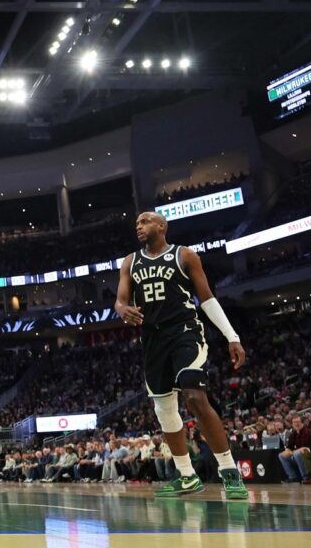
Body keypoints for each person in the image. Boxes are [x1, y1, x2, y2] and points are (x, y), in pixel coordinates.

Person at [114, 211, 248, 499]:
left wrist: (232, 336)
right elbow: (121, 300)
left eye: (145, 222)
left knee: (195, 396)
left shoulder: (185, 255)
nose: (139, 226)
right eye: (136, 223)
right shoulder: (129, 262)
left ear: (161, 226)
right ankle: (186, 475)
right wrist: (121, 309)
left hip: (184, 331)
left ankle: (229, 470)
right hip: (152, 338)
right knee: (165, 411)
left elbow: (207, 297)